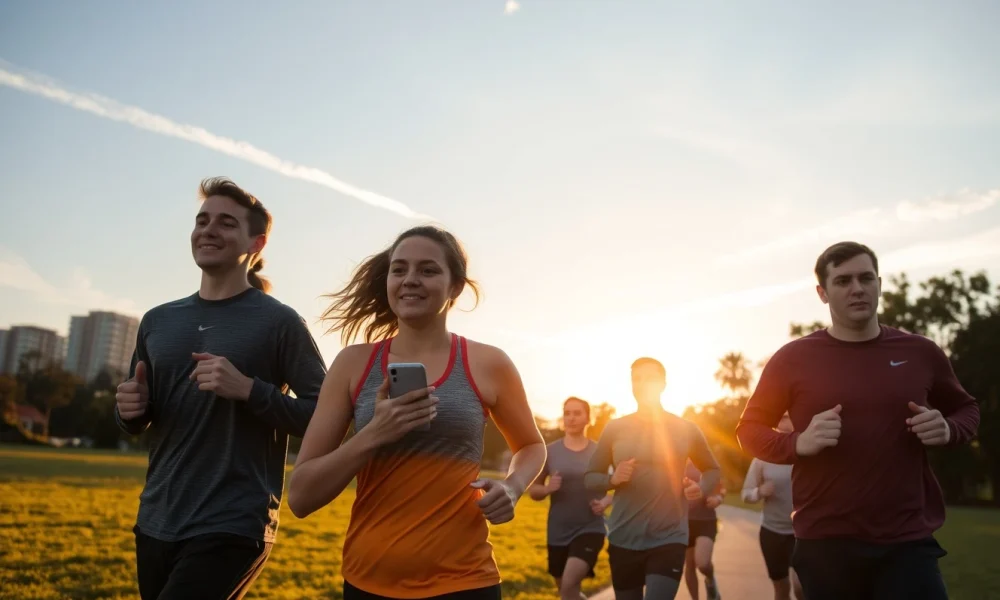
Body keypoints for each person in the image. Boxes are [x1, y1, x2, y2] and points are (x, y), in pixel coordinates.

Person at [287, 225, 546, 600]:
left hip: (465, 581)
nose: (410, 280)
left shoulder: (489, 363)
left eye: (428, 270)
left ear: (455, 287)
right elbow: (301, 496)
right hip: (366, 581)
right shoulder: (352, 365)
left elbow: (531, 445)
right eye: (399, 269)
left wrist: (513, 485)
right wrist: (374, 435)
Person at [113, 177, 327, 600]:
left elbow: (327, 414)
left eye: (226, 223)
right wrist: (129, 410)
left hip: (232, 522)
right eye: (202, 220)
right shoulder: (158, 320)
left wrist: (250, 390)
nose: (208, 230)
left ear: (257, 243)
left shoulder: (279, 322)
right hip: (156, 517)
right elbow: (140, 418)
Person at [735, 241, 980, 600]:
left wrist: (949, 428)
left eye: (866, 278)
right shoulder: (792, 359)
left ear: (879, 284)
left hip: (907, 539)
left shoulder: (920, 352)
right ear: (822, 293)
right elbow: (748, 431)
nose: (858, 289)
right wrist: (797, 442)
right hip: (826, 542)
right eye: (843, 280)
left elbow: (967, 409)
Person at [585, 357, 723, 600]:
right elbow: (590, 478)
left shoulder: (686, 429)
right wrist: (612, 480)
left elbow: (712, 469)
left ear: (663, 384)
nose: (641, 384)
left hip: (669, 536)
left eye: (649, 378)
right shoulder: (615, 428)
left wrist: (700, 488)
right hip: (623, 537)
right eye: (636, 379)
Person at [528, 397, 612, 600]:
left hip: (590, 528)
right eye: (567, 413)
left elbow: (618, 486)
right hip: (558, 530)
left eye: (577, 413)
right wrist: (548, 489)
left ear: (588, 419)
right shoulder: (549, 451)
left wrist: (605, 502)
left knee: (568, 586)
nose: (571, 418)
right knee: (566, 592)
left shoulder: (600, 452)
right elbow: (533, 491)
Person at [740, 412, 803, 600]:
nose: (787, 421)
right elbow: (746, 494)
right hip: (772, 533)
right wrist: (760, 492)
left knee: (801, 588)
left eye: (792, 416)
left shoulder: (806, 453)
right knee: (781, 590)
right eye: (783, 416)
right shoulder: (762, 458)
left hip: (801, 533)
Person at [683, 460, 725, 600]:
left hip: (706, 521)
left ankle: (710, 579)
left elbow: (721, 489)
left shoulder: (707, 461)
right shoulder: (675, 460)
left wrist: (717, 499)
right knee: (689, 565)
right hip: (684, 522)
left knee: (703, 563)